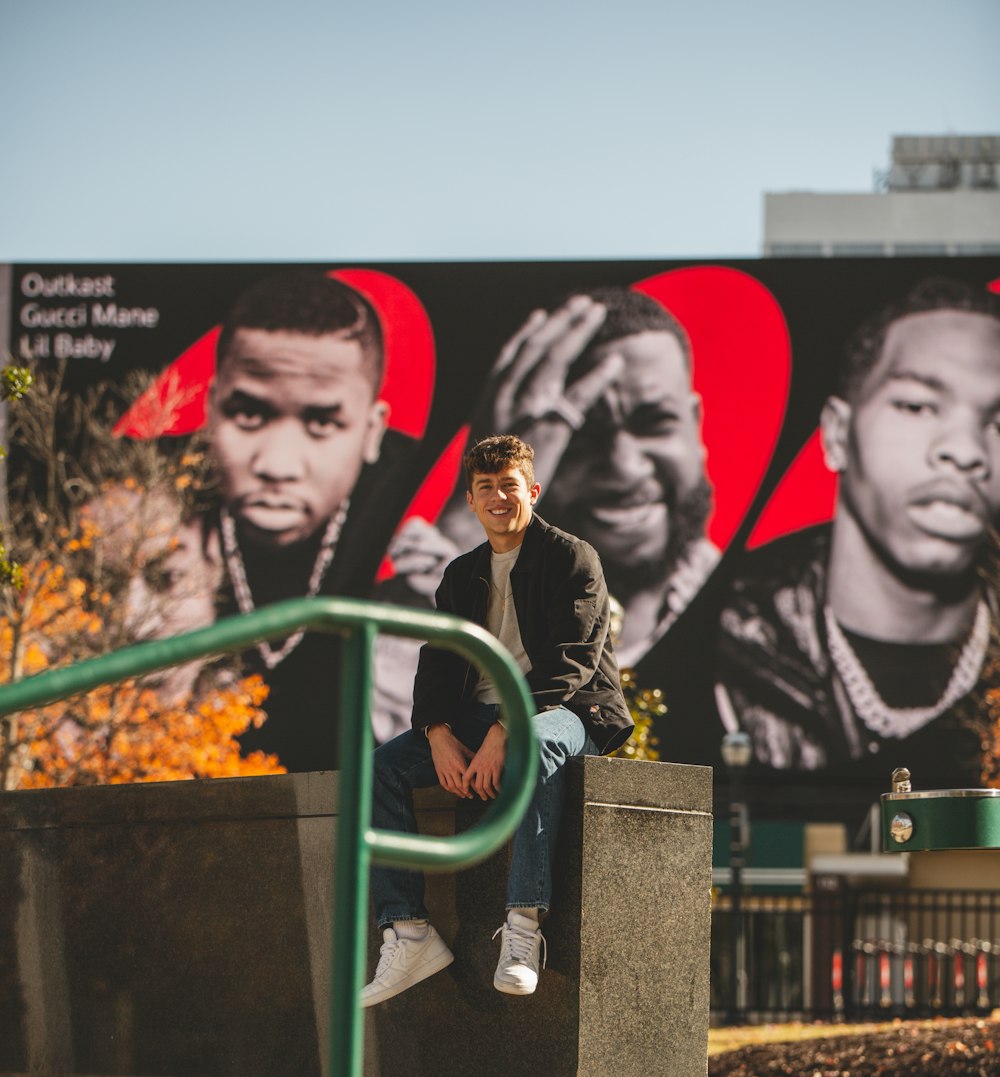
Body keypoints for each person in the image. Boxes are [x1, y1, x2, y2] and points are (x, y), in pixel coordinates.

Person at [371, 286, 718, 743]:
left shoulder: (759, 608)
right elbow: (378, 720)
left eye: (655, 422)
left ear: (695, 424)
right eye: (582, 433)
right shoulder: (457, 576)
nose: (624, 468)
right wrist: (465, 521)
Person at [361, 434, 633, 1006]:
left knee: (533, 746)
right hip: (474, 717)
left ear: (531, 491)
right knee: (378, 770)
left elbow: (572, 664)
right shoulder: (461, 574)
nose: (498, 497)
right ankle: (408, 932)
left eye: (509, 485)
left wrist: (503, 732)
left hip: (565, 710)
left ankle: (523, 928)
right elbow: (436, 662)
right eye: (485, 487)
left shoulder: (571, 557)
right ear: (471, 500)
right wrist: (436, 733)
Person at [715, 278, 1000, 778]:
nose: (966, 451)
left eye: (998, 421)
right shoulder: (743, 639)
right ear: (838, 433)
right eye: (917, 405)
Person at [197, 270, 415, 770]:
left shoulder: (414, 494)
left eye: (321, 422)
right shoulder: (149, 498)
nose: (277, 464)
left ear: (371, 429)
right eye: (249, 414)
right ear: (210, 410)